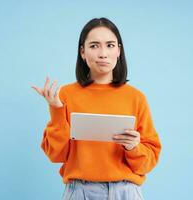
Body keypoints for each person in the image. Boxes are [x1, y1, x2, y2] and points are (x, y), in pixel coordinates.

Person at [32, 17, 161, 200]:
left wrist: (133, 147)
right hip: (79, 192)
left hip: (125, 192)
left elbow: (148, 162)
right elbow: (56, 155)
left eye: (110, 45)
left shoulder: (136, 97)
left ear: (118, 50)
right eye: (94, 46)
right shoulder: (65, 95)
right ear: (83, 52)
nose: (103, 53)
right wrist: (56, 110)